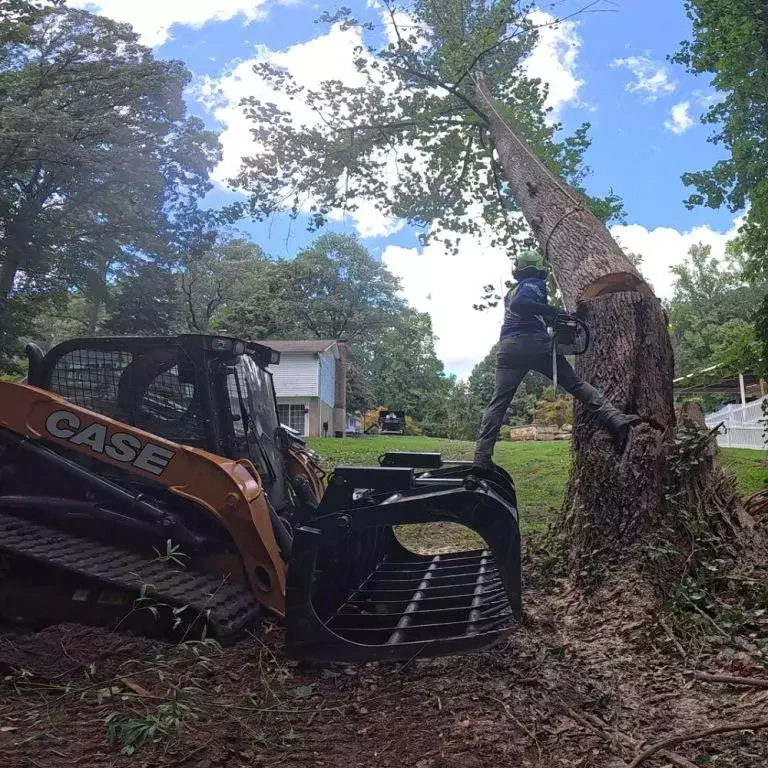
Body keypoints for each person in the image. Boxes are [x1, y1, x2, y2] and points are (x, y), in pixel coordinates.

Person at [473, 248, 639, 472]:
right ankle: (614, 418)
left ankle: (481, 457)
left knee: (498, 403)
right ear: (536, 269)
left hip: (508, 348)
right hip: (534, 343)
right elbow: (521, 305)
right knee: (576, 384)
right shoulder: (534, 283)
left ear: (517, 269)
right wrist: (554, 310)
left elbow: (519, 306)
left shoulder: (511, 291)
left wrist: (549, 316)